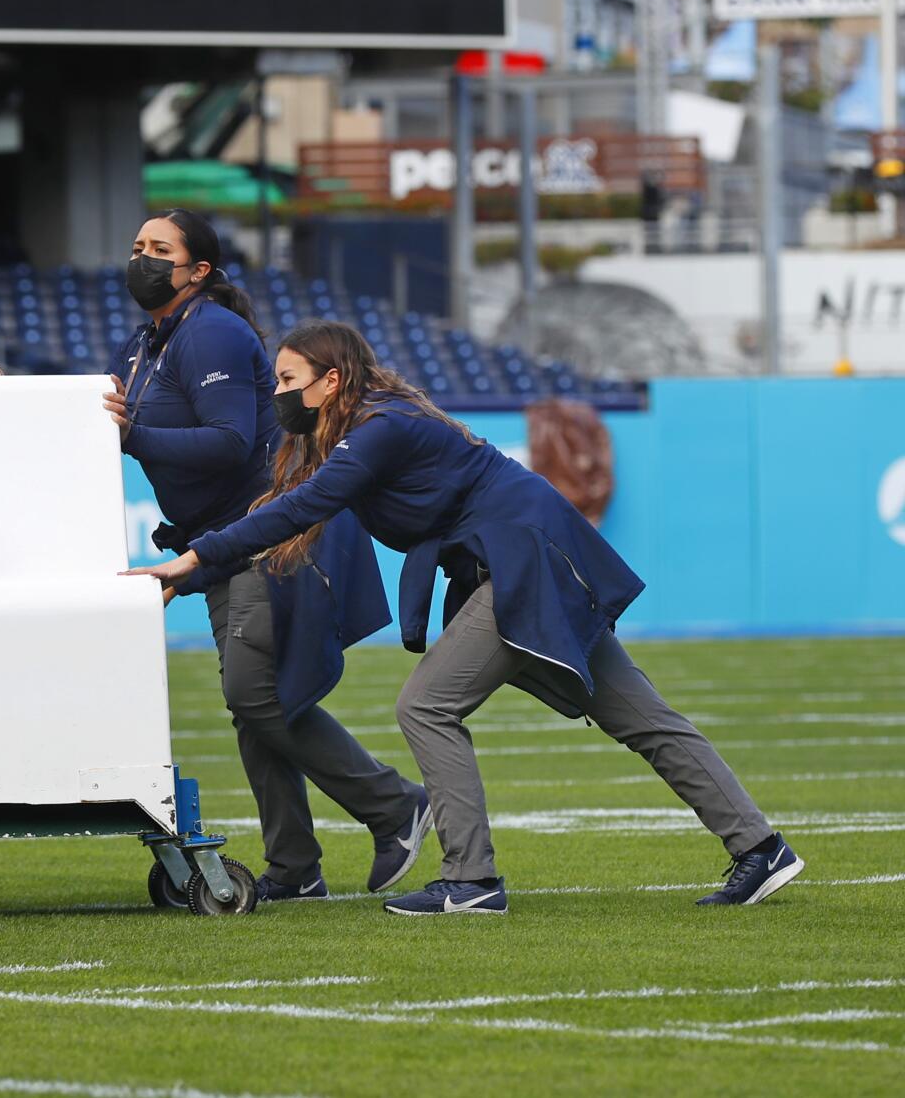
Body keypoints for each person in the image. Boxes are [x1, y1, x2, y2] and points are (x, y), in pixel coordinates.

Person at [126, 321, 803, 915]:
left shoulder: (380, 428)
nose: (277, 392)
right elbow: (287, 513)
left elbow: (303, 508)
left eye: (288, 378)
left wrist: (191, 560)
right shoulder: (367, 425)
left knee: (427, 705)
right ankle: (761, 847)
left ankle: (470, 879)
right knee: (641, 718)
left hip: (523, 561)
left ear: (332, 381)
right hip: (527, 556)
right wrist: (200, 572)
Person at [105, 212, 429, 901]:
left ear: (199, 271)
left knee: (254, 694)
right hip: (224, 544)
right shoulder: (147, 342)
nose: (143, 259)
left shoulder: (211, 331)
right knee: (255, 704)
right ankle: (294, 865)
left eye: (160, 250)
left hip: (269, 534)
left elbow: (227, 442)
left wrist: (135, 439)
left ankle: (394, 805)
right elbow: (106, 417)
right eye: (138, 248)